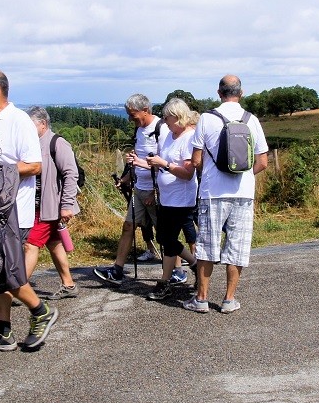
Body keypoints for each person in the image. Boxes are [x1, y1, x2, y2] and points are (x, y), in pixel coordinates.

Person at [0, 70, 57, 353]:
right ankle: (3, 332)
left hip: (11, 210)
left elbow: (34, 165)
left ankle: (40, 311)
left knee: (7, 271)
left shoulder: (18, 121)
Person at [184, 75, 268, 314]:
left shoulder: (207, 119)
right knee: (237, 246)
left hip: (213, 192)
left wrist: (213, 171)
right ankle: (229, 300)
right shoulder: (252, 120)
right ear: (241, 93)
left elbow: (196, 160)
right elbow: (262, 161)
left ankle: (201, 299)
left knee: (207, 246)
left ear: (219, 93)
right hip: (243, 193)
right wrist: (244, 174)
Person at [94, 94, 171, 285]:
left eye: (133, 114)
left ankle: (177, 271)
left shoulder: (162, 128)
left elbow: (166, 163)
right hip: (139, 188)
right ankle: (117, 270)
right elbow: (139, 159)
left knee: (165, 234)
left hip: (156, 191)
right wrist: (127, 177)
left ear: (145, 110)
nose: (130, 119)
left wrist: (154, 191)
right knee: (128, 226)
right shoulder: (139, 130)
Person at [142, 98, 200, 300]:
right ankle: (194, 264)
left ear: (178, 116)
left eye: (167, 118)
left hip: (181, 199)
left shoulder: (189, 138)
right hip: (166, 197)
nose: (165, 121)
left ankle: (165, 282)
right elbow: (160, 162)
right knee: (164, 239)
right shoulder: (169, 136)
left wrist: (164, 164)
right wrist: (142, 162)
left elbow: (187, 173)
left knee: (167, 240)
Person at [24, 106, 80, 300]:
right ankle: (69, 284)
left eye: (30, 125)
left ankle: (17, 289)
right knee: (54, 243)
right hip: (36, 205)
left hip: (50, 207)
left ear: (43, 124)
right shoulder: (31, 144)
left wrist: (66, 205)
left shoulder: (57, 143)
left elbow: (71, 174)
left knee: (31, 244)